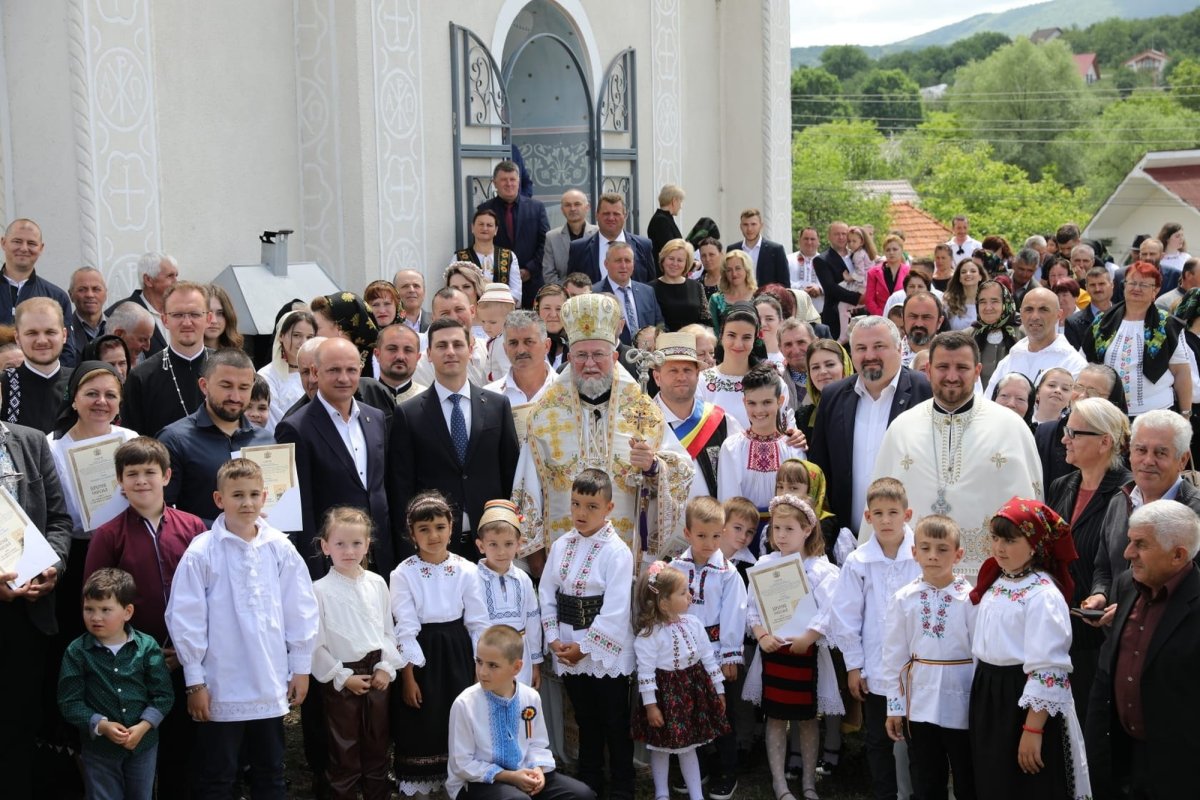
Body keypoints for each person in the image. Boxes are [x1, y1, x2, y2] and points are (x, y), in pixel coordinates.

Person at [165, 458, 320, 799]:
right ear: (219, 499)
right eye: (237, 495)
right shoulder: (202, 551)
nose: (246, 503)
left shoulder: (279, 547)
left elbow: (301, 609)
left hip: (268, 678)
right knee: (219, 775)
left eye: (253, 494)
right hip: (221, 683)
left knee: (270, 771)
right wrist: (194, 681)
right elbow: (185, 617)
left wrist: (302, 668)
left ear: (265, 497)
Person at [512, 294, 694, 562]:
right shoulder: (544, 417)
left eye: (598, 354)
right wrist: (537, 563)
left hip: (625, 559)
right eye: (581, 355)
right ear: (569, 357)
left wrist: (654, 467)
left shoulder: (644, 414)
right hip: (563, 559)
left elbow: (682, 471)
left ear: (615, 356)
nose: (589, 364)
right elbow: (527, 490)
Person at [84, 437, 207, 798]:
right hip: (134, 663)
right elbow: (96, 603)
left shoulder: (194, 528)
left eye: (150, 472)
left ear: (166, 476)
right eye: (131, 474)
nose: (141, 481)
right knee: (142, 750)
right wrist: (143, 653)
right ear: (119, 483)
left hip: (189, 658)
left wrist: (187, 651)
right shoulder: (109, 535)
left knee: (186, 747)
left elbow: (210, 592)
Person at [872, 331, 1043, 574]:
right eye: (943, 367)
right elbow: (879, 500)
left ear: (977, 371)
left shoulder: (1012, 427)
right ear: (929, 370)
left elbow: (1031, 507)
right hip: (912, 575)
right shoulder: (902, 427)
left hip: (990, 579)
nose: (952, 376)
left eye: (962, 367)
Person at [967, 499, 1091, 800]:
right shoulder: (997, 582)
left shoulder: (1042, 595)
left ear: (1034, 544)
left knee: (1028, 785)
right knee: (994, 781)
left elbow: (1049, 667)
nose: (999, 548)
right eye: (995, 538)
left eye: (1010, 540)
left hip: (1024, 701)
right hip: (991, 695)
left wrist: (1033, 731)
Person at [1085, 500, 1200, 799]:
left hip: (1179, 773)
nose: (1127, 553)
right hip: (1120, 764)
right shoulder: (1126, 584)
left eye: (1140, 544)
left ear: (1178, 555)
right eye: (1128, 541)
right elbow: (1106, 669)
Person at [538, 469, 636, 800]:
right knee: (585, 717)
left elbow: (616, 610)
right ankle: (590, 778)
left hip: (604, 653)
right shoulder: (562, 544)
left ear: (609, 507)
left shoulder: (617, 552)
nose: (581, 513)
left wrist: (586, 647)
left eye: (592, 506)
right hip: (567, 646)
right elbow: (547, 593)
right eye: (576, 504)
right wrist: (553, 638)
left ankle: (622, 783)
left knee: (613, 718)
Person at [389, 317, 519, 558]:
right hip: (435, 547)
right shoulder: (408, 414)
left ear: (470, 350)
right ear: (429, 354)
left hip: (491, 544)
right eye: (441, 346)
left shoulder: (497, 406)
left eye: (458, 344)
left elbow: (510, 473)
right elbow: (401, 487)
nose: (450, 352)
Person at [389, 491, 491, 796]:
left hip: (458, 653)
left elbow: (478, 623)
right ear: (412, 534)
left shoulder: (467, 570)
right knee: (423, 723)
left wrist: (479, 668)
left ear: (451, 527)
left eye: (439, 527)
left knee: (458, 721)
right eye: (424, 529)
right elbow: (404, 629)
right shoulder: (403, 573)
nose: (433, 535)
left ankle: (458, 785)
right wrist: (408, 678)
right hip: (422, 658)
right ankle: (421, 787)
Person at [828, 478, 921, 800]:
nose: (885, 520)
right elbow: (845, 616)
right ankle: (885, 794)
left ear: (907, 514)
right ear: (867, 517)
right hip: (877, 669)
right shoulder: (859, 562)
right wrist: (854, 665)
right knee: (878, 740)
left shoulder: (921, 556)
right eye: (878, 513)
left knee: (918, 739)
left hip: (918, 670)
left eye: (893, 512)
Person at [746, 495, 842, 800]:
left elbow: (829, 610)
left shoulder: (820, 570)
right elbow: (752, 610)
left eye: (789, 528)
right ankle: (779, 782)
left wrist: (809, 636)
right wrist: (761, 635)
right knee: (775, 716)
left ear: (807, 531)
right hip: (774, 654)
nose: (782, 535)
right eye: (777, 528)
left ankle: (809, 783)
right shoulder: (765, 565)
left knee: (808, 717)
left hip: (807, 654)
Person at [277, 337, 395, 577]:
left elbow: (381, 488)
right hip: (330, 562)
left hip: (379, 556)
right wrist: (314, 568)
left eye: (351, 370)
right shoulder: (296, 428)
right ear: (315, 372)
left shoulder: (375, 418)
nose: (344, 378)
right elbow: (301, 508)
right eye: (334, 370)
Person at [0, 416, 73, 800]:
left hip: (29, 614)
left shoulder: (30, 442)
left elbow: (59, 519)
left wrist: (53, 566)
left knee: (18, 725)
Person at [879, 516, 976, 800]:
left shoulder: (971, 599)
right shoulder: (903, 599)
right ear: (914, 552)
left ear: (958, 554)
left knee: (966, 774)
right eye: (925, 548)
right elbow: (893, 656)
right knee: (925, 775)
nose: (933, 556)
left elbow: (981, 655)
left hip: (962, 700)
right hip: (919, 702)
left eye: (942, 549)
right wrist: (894, 707)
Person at [57, 568, 174, 800]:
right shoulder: (77, 652)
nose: (95, 617)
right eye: (89, 609)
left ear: (127, 612)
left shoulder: (146, 647)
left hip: (144, 744)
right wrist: (102, 725)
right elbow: (69, 702)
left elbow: (163, 695)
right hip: (99, 749)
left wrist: (143, 727)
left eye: (105, 610)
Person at [311, 506, 403, 800]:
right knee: (344, 749)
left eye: (356, 543)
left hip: (377, 675)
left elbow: (388, 631)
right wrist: (342, 677)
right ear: (326, 546)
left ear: (367, 545)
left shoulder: (377, 583)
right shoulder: (318, 590)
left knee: (377, 746)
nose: (349, 551)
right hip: (342, 680)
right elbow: (316, 644)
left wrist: (386, 667)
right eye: (340, 544)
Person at [809, 316, 931, 537]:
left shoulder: (925, 391)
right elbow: (820, 468)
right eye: (861, 348)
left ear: (899, 348)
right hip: (846, 540)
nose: (870, 356)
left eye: (879, 346)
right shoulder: (833, 396)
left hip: (910, 541)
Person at [447, 625, 595, 800]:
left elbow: (537, 744)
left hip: (523, 771)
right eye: (479, 662)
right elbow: (462, 764)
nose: (482, 672)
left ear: (516, 667)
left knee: (582, 794)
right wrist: (509, 777)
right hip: (477, 782)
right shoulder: (465, 704)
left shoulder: (530, 697)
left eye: (493, 665)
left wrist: (538, 771)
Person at [47, 362, 137, 634]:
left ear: (120, 403)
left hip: (125, 549)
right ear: (74, 399)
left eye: (110, 395)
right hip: (76, 555)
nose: (101, 402)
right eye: (91, 394)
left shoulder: (130, 439)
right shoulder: (51, 446)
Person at [1084, 409, 1200, 614]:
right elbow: (1103, 567)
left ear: (1182, 460)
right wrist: (1100, 594)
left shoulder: (1195, 513)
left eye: (1160, 453)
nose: (1148, 461)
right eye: (1140, 450)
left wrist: (1129, 610)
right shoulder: (1120, 501)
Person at [631, 561, 729, 800]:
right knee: (661, 748)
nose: (690, 596)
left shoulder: (694, 624)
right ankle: (661, 793)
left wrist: (718, 689)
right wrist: (651, 706)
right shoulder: (649, 635)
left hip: (691, 692)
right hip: (666, 695)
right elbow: (645, 674)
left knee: (689, 747)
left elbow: (708, 658)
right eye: (683, 593)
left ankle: (696, 794)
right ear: (664, 602)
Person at [671, 497, 745, 800]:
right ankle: (696, 767)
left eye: (716, 536)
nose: (709, 542)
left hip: (714, 653)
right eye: (701, 536)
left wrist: (729, 654)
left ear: (724, 532)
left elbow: (734, 613)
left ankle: (728, 771)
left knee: (719, 713)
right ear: (688, 533)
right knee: (690, 713)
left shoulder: (727, 573)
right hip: (684, 656)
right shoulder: (676, 569)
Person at [157, 348, 273, 523]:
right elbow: (162, 513)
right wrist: (224, 528)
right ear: (204, 386)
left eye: (244, 388)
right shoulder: (174, 440)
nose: (235, 396)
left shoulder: (267, 441)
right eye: (226, 386)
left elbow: (283, 510)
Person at [1084, 261, 1193, 417]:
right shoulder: (1102, 321)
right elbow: (1085, 362)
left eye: (1143, 285)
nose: (1136, 288)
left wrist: (1185, 413)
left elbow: (1181, 372)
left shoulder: (1167, 324)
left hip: (1156, 414)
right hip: (1109, 414)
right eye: (1132, 283)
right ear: (1124, 286)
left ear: (1156, 290)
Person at [716, 364, 806, 554]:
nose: (759, 410)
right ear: (744, 402)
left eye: (766, 402)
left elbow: (800, 500)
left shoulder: (793, 446)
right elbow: (729, 502)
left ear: (780, 401)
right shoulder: (732, 447)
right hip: (743, 537)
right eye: (752, 403)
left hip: (784, 537)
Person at [651, 332, 739, 498]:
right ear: (657, 377)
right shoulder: (642, 424)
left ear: (698, 375)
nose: (681, 377)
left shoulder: (721, 421)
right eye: (673, 371)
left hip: (713, 521)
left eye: (687, 370)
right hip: (660, 522)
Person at [120, 281, 211, 437]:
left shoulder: (227, 368)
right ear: (164, 320)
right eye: (178, 315)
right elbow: (134, 442)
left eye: (195, 314)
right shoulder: (141, 378)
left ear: (208, 319)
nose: (187, 322)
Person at [471, 500, 543, 687]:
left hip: (520, 658)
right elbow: (473, 626)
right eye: (493, 544)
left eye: (508, 543)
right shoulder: (472, 579)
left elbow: (532, 621)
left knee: (519, 705)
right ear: (480, 545)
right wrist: (478, 664)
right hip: (488, 659)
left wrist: (535, 663)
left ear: (519, 544)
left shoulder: (523, 579)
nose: (501, 551)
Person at [982, 287, 1085, 400]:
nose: (1035, 316)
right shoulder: (1010, 360)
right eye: (1029, 309)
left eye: (1043, 309)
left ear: (1059, 315)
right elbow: (988, 403)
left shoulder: (1073, 364)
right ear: (1020, 314)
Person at [476, 160, 550, 307]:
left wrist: (529, 269)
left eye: (512, 179)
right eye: (503, 180)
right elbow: (481, 242)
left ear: (519, 182)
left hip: (532, 282)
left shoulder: (536, 208)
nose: (509, 184)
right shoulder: (484, 209)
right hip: (498, 284)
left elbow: (545, 243)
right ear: (495, 183)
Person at [1, 297, 73, 432]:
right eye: (32, 333)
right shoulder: (3, 386)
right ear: (18, 338)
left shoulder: (81, 382)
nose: (41, 340)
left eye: (50, 332)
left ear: (64, 335)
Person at [567, 192, 655, 284]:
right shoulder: (578, 249)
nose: (611, 218)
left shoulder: (644, 246)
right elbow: (572, 285)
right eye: (606, 213)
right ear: (597, 215)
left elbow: (650, 286)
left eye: (616, 214)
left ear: (625, 216)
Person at [104, 252, 178, 356]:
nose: (176, 281)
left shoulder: (179, 312)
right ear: (148, 280)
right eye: (170, 276)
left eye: (176, 275)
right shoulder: (119, 312)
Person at [592, 242, 664, 346]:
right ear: (606, 264)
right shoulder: (595, 294)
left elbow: (660, 325)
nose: (623, 266)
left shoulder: (647, 292)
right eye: (618, 261)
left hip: (647, 356)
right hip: (614, 357)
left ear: (633, 264)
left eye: (627, 260)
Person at [455, 209, 523, 305]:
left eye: (489, 225)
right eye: (481, 224)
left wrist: (497, 305)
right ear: (472, 228)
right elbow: (453, 290)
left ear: (496, 230)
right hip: (470, 312)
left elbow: (516, 291)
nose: (485, 228)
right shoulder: (459, 257)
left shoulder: (509, 256)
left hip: (502, 312)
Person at [813, 222, 862, 341]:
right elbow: (830, 288)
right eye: (836, 234)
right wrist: (858, 298)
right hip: (835, 316)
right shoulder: (821, 260)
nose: (841, 237)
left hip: (860, 314)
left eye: (844, 234)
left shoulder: (857, 255)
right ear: (829, 236)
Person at [798, 338, 852, 441]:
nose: (822, 371)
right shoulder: (803, 417)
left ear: (844, 367)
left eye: (830, 364)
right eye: (815, 367)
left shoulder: (860, 408)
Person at [971, 280, 1021, 389]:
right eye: (983, 302)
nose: (988, 307)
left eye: (994, 301)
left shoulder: (1023, 335)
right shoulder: (967, 337)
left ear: (1005, 303)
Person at [311, 291, 381, 369]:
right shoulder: (316, 362)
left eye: (317, 328)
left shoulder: (378, 363)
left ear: (340, 327)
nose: (312, 334)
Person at [543, 190, 598, 285]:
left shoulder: (598, 233)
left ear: (587, 207)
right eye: (567, 205)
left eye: (577, 204)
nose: (572, 209)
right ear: (562, 209)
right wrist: (567, 291)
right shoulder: (551, 237)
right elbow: (548, 274)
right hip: (564, 295)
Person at [653, 238, 707, 331]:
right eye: (671, 258)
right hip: (662, 343)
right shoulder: (650, 289)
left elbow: (706, 320)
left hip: (693, 342)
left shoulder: (697, 286)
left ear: (687, 263)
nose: (675, 264)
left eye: (680, 260)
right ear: (663, 259)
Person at [66, 266, 108, 366]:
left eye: (96, 289)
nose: (90, 294)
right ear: (71, 295)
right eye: (82, 290)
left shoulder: (118, 329)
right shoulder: (63, 333)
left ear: (106, 293)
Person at [707, 250, 757, 331]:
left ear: (746, 270)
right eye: (729, 270)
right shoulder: (716, 299)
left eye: (738, 268)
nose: (734, 274)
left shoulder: (758, 296)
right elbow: (713, 331)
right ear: (724, 273)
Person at [863, 234, 908, 317]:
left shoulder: (909, 272)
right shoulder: (873, 273)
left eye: (895, 249)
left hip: (903, 317)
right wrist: (882, 315)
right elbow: (869, 300)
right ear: (884, 252)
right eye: (888, 250)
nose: (891, 252)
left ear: (901, 251)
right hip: (879, 317)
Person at [105, 300, 156, 367]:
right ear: (119, 334)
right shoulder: (96, 362)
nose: (147, 348)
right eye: (142, 340)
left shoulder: (137, 355)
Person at [534, 284, 569, 370]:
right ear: (537, 310)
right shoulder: (528, 345)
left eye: (559, 309)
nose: (553, 315)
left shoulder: (577, 346)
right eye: (547, 308)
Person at [787, 227, 824, 309]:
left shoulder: (826, 261)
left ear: (818, 242)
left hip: (820, 310)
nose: (809, 242)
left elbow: (832, 283)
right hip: (795, 308)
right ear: (799, 241)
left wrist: (820, 289)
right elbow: (783, 281)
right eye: (806, 239)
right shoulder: (788, 259)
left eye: (813, 239)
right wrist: (801, 290)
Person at [943, 257, 983, 331]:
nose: (968, 274)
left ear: (980, 276)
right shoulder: (948, 302)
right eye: (963, 272)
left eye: (973, 271)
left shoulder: (988, 302)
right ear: (959, 278)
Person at [647, 185, 685, 262]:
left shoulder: (665, 219)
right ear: (674, 201)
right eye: (680, 201)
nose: (681, 206)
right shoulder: (661, 220)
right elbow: (670, 249)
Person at [203, 284, 243, 351]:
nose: (214, 321)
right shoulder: (185, 356)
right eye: (207, 313)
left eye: (220, 313)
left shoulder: (237, 358)